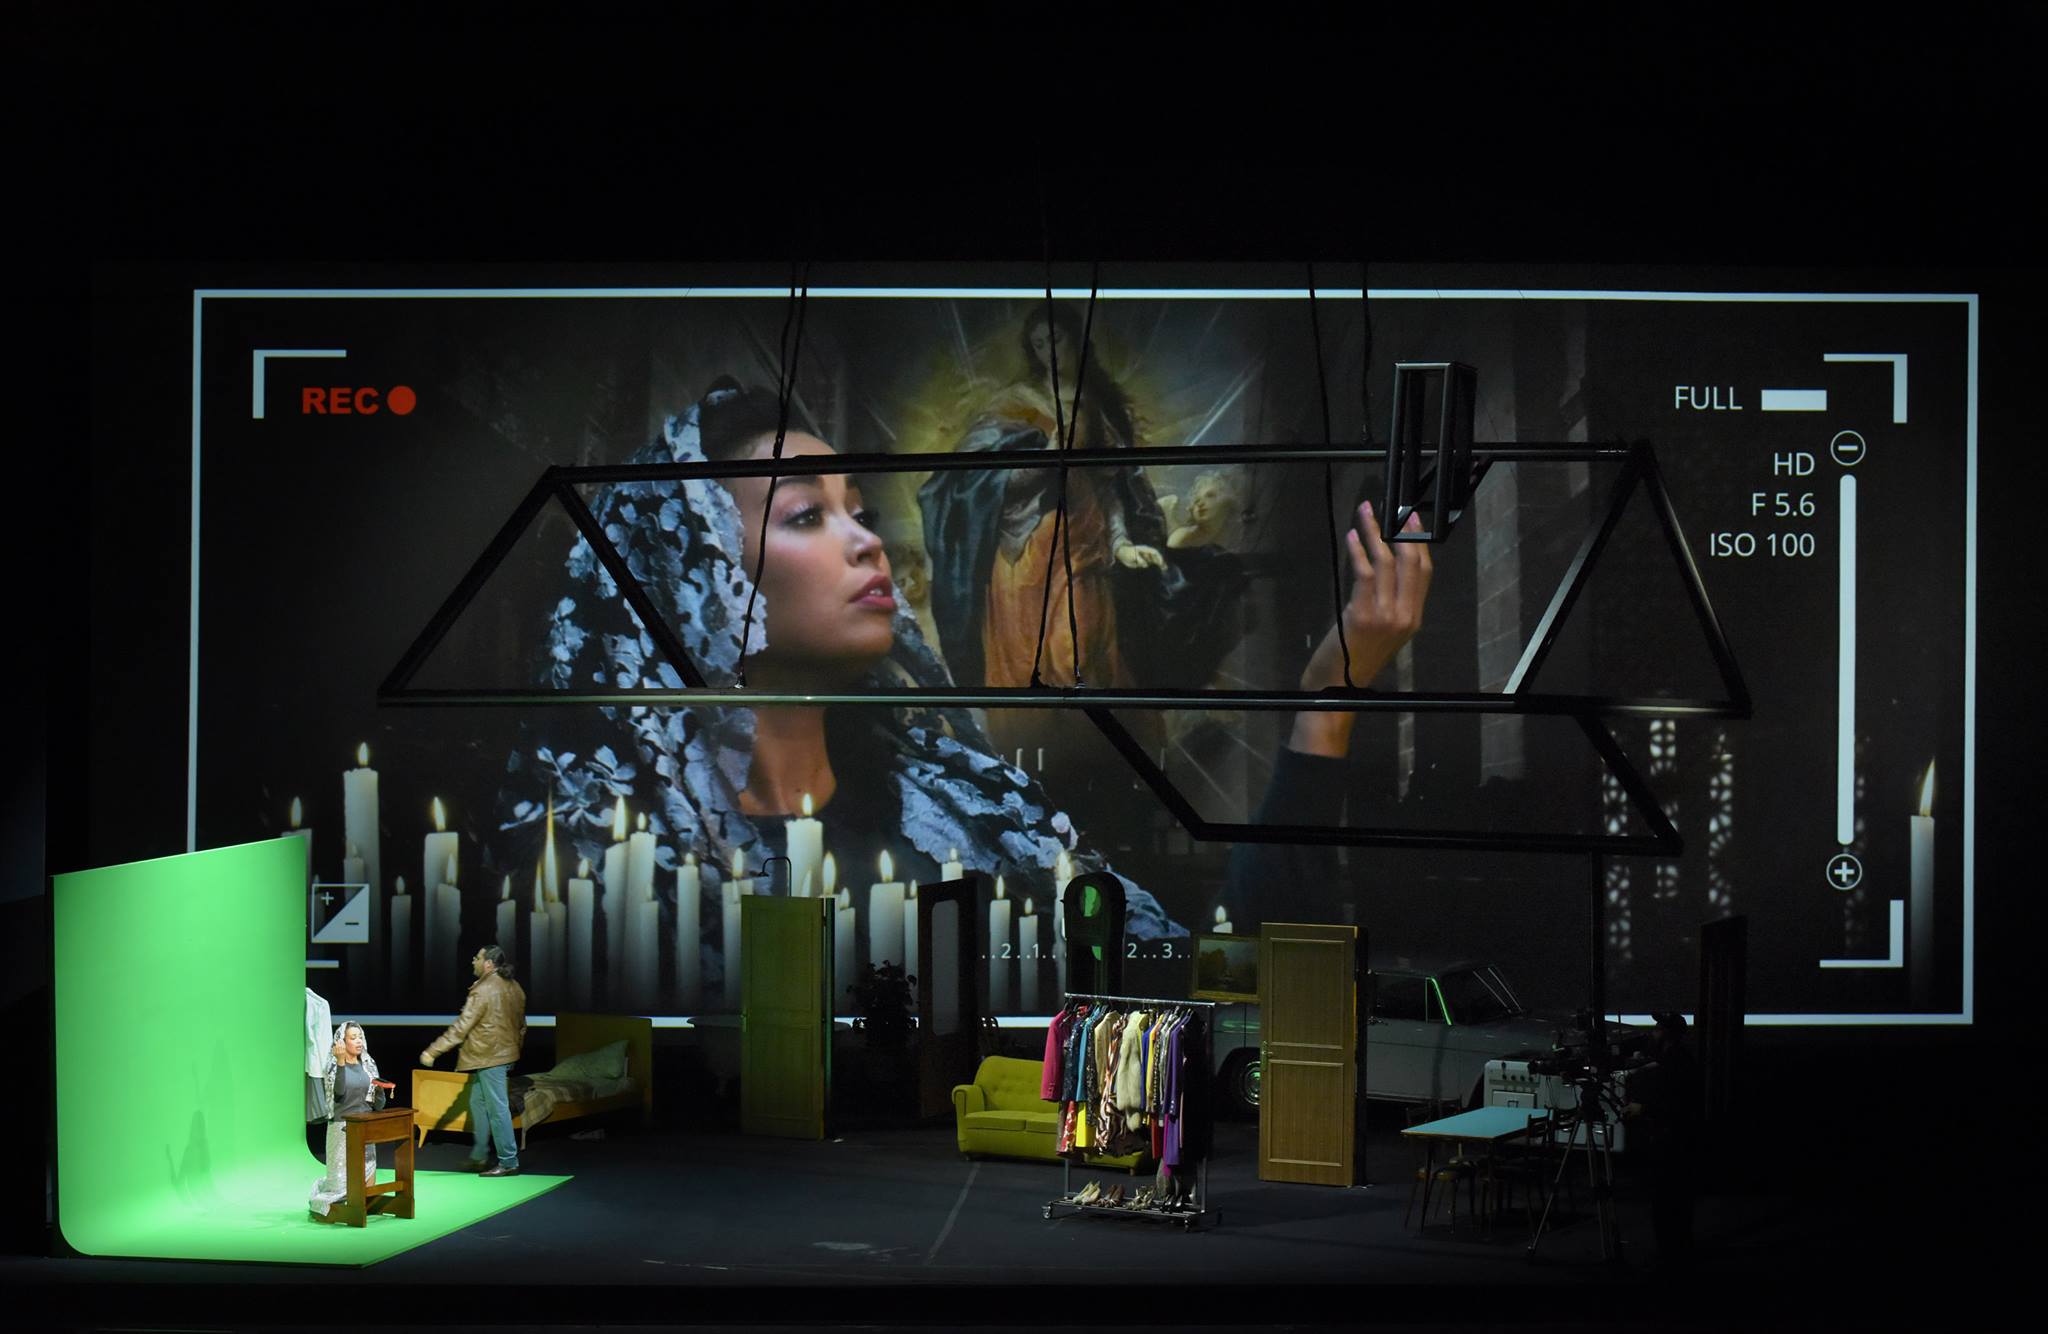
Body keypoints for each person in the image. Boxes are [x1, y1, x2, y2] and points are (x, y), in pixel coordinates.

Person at [497, 378, 1187, 1012]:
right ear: (690, 572)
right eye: (806, 515)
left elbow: (1167, 992)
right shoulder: (598, 865)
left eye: (860, 511)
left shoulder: (973, 818)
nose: (867, 542)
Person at [919, 304, 1170, 692]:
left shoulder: (1093, 408)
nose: (1048, 352)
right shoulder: (1013, 405)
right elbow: (983, 484)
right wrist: (1048, 456)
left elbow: (1108, 487)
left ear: (1075, 340)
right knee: (1031, 675)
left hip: (1085, 550)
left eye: (1055, 340)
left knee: (1080, 661)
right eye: (1038, 344)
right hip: (1024, 557)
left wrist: (1121, 543)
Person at [419, 945, 527, 1177]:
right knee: (478, 1103)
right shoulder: (514, 986)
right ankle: (479, 1156)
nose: (473, 961)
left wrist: (433, 1051)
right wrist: (513, 1050)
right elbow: (521, 1025)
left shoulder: (484, 990)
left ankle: (509, 1162)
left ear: (488, 963)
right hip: (499, 1055)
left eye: (477, 958)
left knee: (497, 1109)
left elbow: (461, 1027)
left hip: (490, 1057)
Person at [1623, 1010, 1702, 1269]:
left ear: (1667, 1033)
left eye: (1658, 1028)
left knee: (1667, 1199)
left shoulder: (1675, 1064)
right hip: (1675, 1140)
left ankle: (1671, 1253)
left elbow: (1677, 1104)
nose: (1653, 1033)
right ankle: (1677, 1249)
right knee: (1675, 1199)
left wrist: (1643, 1108)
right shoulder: (1677, 1059)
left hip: (1671, 1141)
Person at [308, 1021, 387, 1217]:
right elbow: (339, 1093)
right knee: (339, 1186)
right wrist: (342, 1062)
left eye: (360, 1037)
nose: (359, 1041)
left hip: (365, 1127)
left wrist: (380, 1091)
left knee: (367, 1192)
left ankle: (361, 1207)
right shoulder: (334, 1066)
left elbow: (379, 1105)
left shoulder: (368, 1065)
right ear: (342, 1042)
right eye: (353, 1038)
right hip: (342, 1129)